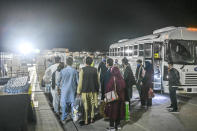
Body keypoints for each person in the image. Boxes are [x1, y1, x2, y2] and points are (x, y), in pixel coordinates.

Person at [77, 56, 100, 125]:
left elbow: (80, 82)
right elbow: (98, 81)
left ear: (85, 62)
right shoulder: (96, 70)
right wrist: (98, 89)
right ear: (92, 62)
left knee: (85, 106)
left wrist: (78, 91)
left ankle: (86, 120)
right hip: (93, 90)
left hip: (85, 90)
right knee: (92, 105)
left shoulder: (82, 70)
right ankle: (92, 118)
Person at [58, 57, 79, 123]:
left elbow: (58, 82)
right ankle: (74, 117)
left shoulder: (62, 71)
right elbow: (78, 82)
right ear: (72, 62)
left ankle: (64, 118)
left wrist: (58, 88)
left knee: (64, 105)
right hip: (72, 91)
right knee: (73, 105)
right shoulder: (75, 71)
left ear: (66, 63)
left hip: (64, 91)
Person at [105, 67, 125, 131]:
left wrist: (107, 98)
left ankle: (112, 127)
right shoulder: (121, 79)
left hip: (113, 98)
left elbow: (108, 88)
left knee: (112, 112)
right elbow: (124, 88)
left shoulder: (112, 79)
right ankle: (118, 125)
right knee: (119, 111)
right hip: (120, 99)